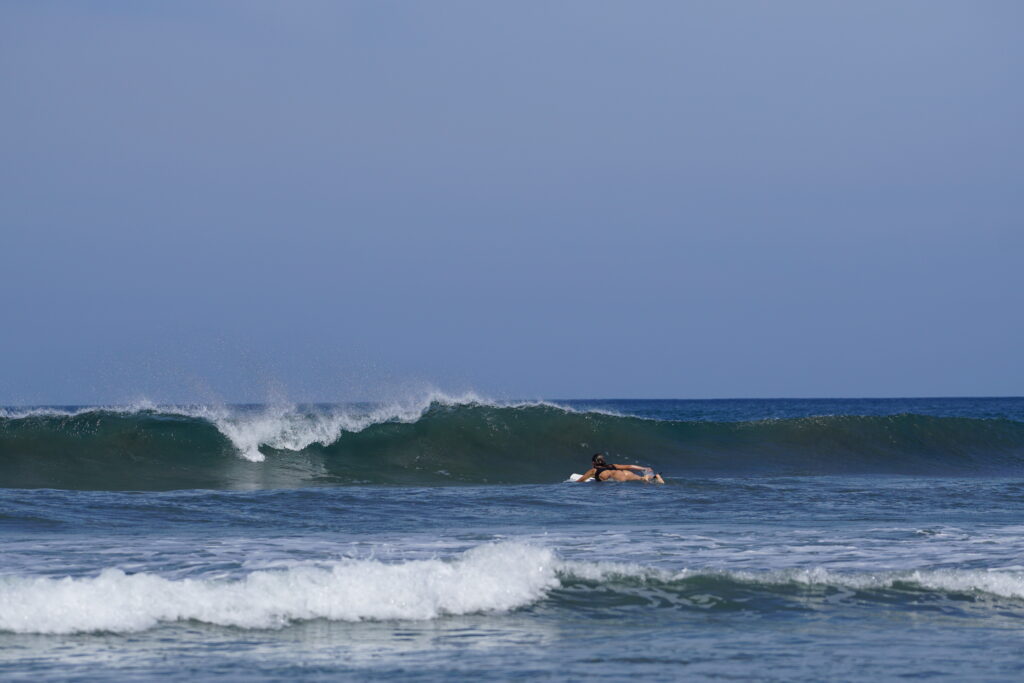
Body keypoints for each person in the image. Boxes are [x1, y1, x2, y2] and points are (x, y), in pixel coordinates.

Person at [576, 453, 664, 484]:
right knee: (642, 479)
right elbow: (630, 466)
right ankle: (655, 477)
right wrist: (644, 468)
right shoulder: (612, 465)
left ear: (593, 463)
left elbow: (581, 480)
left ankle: (650, 478)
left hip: (615, 477)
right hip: (625, 473)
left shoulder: (594, 470)